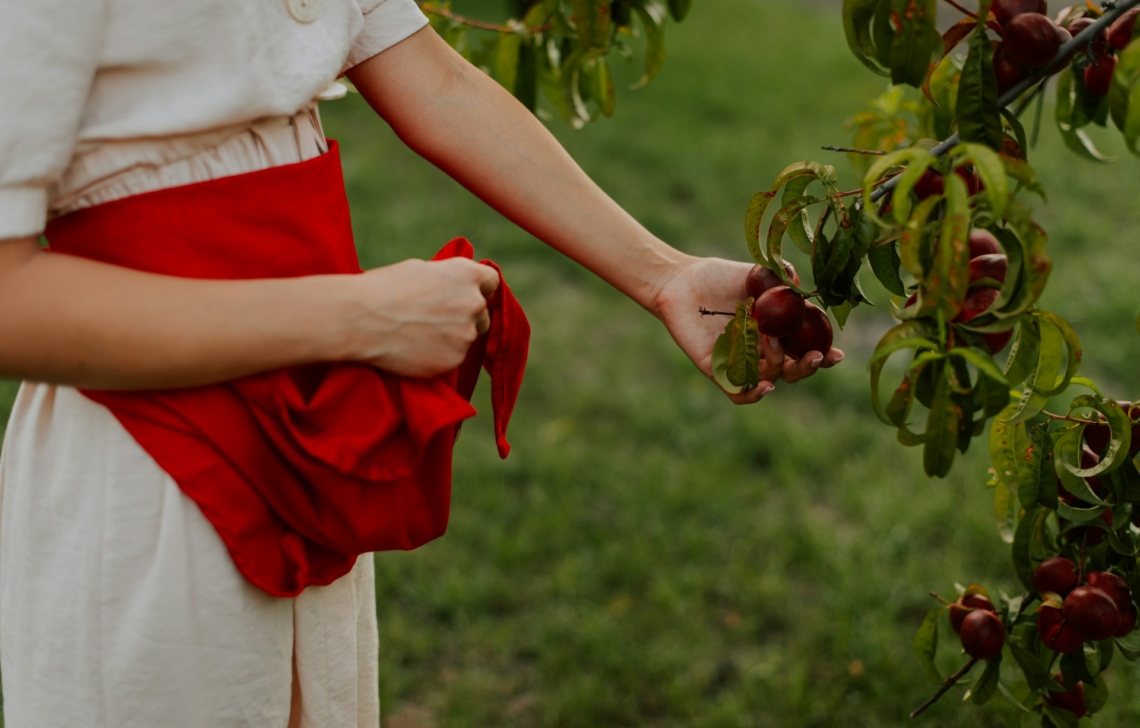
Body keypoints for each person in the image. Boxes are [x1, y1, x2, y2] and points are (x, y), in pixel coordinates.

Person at [0, 0, 843, 726]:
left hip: (313, 432)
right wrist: (357, 317)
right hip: (153, 465)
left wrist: (663, 276)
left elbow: (432, 80)